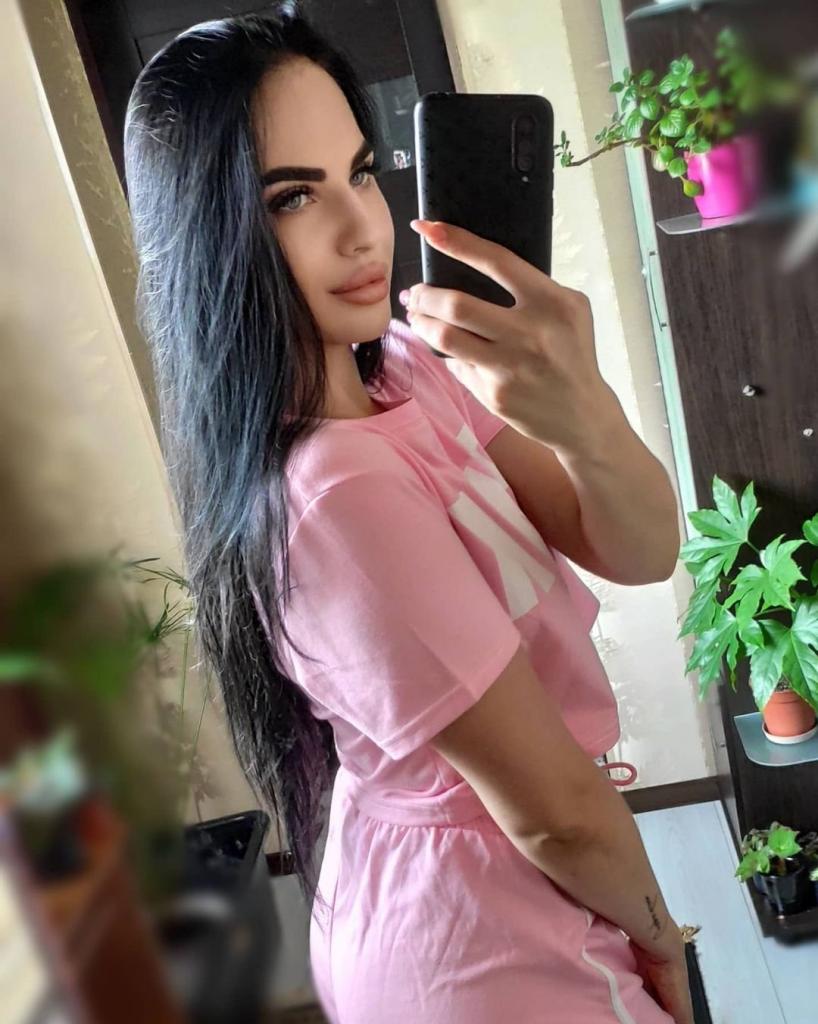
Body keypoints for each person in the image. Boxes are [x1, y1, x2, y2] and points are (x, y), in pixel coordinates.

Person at [123, 4, 695, 1022]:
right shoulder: (333, 492)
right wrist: (663, 944)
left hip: (498, 884)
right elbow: (558, 816)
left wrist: (586, 413)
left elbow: (642, 548)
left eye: (358, 171)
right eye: (292, 197)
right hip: (474, 946)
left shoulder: (408, 372)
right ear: (208, 237)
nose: (362, 227)